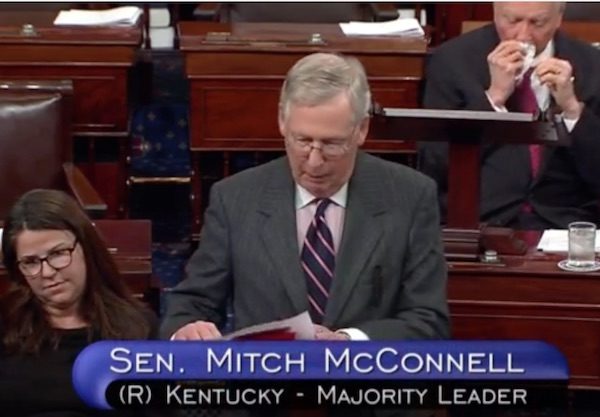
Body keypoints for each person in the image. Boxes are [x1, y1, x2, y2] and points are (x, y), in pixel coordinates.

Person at [161, 52, 449, 345]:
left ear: (361, 129)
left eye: (331, 144)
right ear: (282, 122)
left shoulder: (410, 196)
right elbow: (191, 304)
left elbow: (429, 320)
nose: (313, 162)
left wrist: (350, 340)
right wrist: (186, 328)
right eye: (303, 141)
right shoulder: (235, 199)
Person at [420, 2, 600, 230]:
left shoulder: (592, 65)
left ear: (559, 18)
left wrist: (572, 110)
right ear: (495, 13)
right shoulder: (452, 61)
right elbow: (435, 163)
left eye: (537, 23)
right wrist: (493, 99)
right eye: (512, 21)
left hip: (566, 225)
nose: (523, 35)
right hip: (481, 221)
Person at [0, 189, 157, 416]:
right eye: (31, 262)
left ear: (86, 247)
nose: (47, 272)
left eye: (58, 253)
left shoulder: (138, 327)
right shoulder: (5, 326)